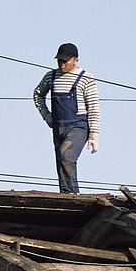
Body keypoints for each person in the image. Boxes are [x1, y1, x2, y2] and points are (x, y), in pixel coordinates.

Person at [32, 42, 99, 193]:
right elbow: (37, 94)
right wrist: (47, 116)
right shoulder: (51, 76)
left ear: (76, 60)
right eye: (59, 60)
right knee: (60, 161)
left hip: (78, 125)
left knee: (66, 156)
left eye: (65, 60)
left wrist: (94, 135)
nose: (62, 64)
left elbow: (94, 108)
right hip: (58, 125)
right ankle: (65, 193)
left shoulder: (86, 78)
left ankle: (72, 195)